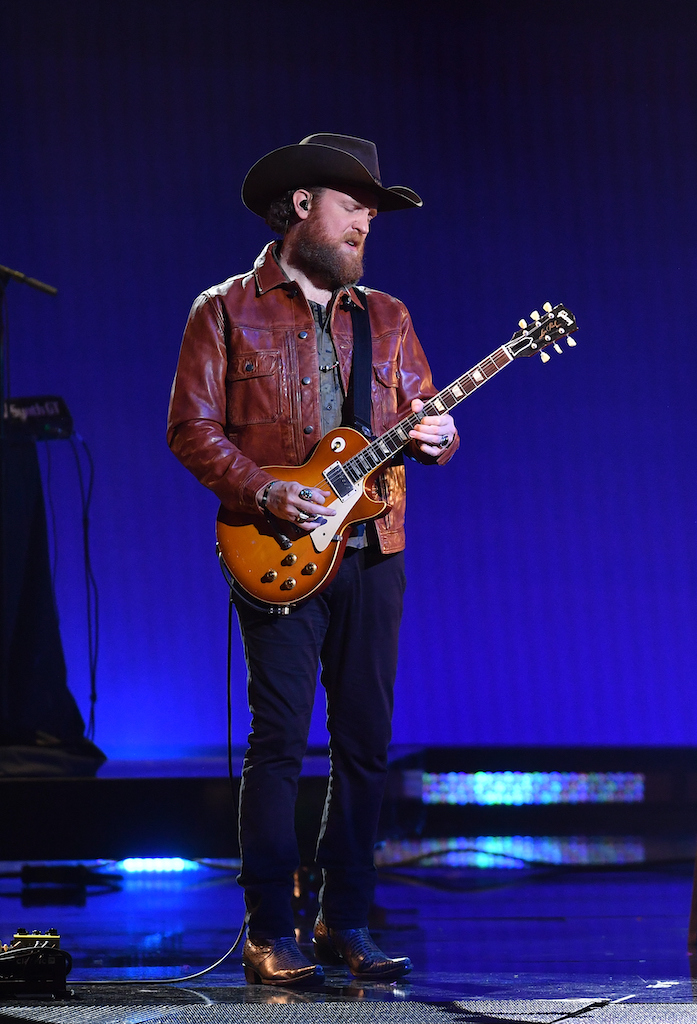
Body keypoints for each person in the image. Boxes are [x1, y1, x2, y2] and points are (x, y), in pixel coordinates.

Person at [167, 134, 457, 986]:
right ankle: (269, 929)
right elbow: (191, 429)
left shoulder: (389, 317)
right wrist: (264, 493)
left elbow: (424, 415)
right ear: (301, 207)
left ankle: (346, 920)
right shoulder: (223, 311)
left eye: (373, 208)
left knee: (366, 741)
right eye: (353, 203)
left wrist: (438, 434)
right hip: (281, 552)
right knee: (282, 741)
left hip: (375, 550)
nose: (369, 218)